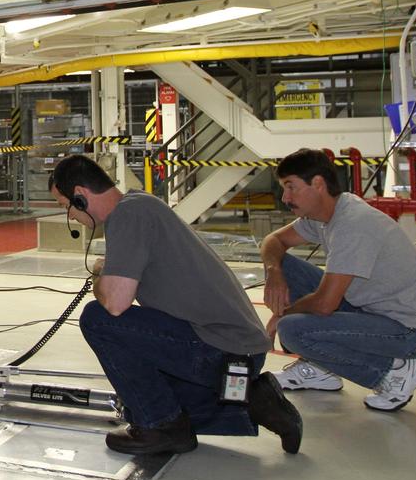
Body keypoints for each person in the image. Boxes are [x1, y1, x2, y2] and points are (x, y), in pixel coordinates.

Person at [50, 154, 301, 455]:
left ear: (80, 197)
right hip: (238, 352)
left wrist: (100, 278)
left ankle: (161, 428)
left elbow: (115, 303)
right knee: (144, 403)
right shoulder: (140, 205)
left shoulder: (127, 217)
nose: (71, 216)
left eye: (66, 207)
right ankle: (256, 402)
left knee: (98, 320)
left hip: (221, 349)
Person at [264, 149, 416, 412]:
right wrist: (274, 273)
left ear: (318, 184)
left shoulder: (352, 224)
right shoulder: (327, 215)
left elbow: (325, 304)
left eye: (291, 187)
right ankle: (321, 369)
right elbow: (274, 241)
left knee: (293, 329)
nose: (286, 197)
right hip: (371, 312)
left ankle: (393, 371)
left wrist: (281, 315)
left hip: (409, 331)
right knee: (284, 264)